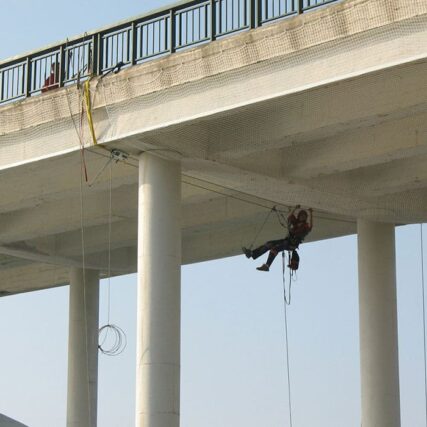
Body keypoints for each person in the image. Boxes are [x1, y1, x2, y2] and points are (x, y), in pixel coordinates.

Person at [242, 205, 313, 272]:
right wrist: (295, 208)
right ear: (299, 216)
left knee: (275, 249)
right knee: (269, 244)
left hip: (292, 244)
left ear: (305, 218)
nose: (302, 217)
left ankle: (267, 266)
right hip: (286, 241)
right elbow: (290, 217)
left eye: (304, 216)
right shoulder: (295, 223)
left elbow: (310, 227)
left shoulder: (305, 226)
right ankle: (252, 254)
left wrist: (311, 213)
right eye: (301, 215)